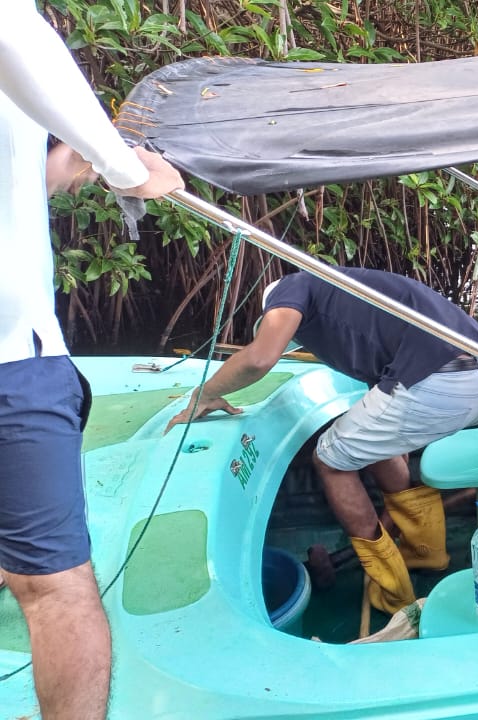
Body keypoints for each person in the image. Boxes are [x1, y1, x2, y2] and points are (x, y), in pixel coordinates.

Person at [1, 5, 184, 719]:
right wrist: (124, 166)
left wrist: (71, 162)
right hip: (12, 363)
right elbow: (12, 32)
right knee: (53, 588)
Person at [166, 268, 478, 614]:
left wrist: (206, 394)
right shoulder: (352, 296)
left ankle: (394, 595)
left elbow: (260, 358)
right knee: (366, 444)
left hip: (436, 382)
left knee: (329, 460)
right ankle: (427, 553)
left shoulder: (293, 286)